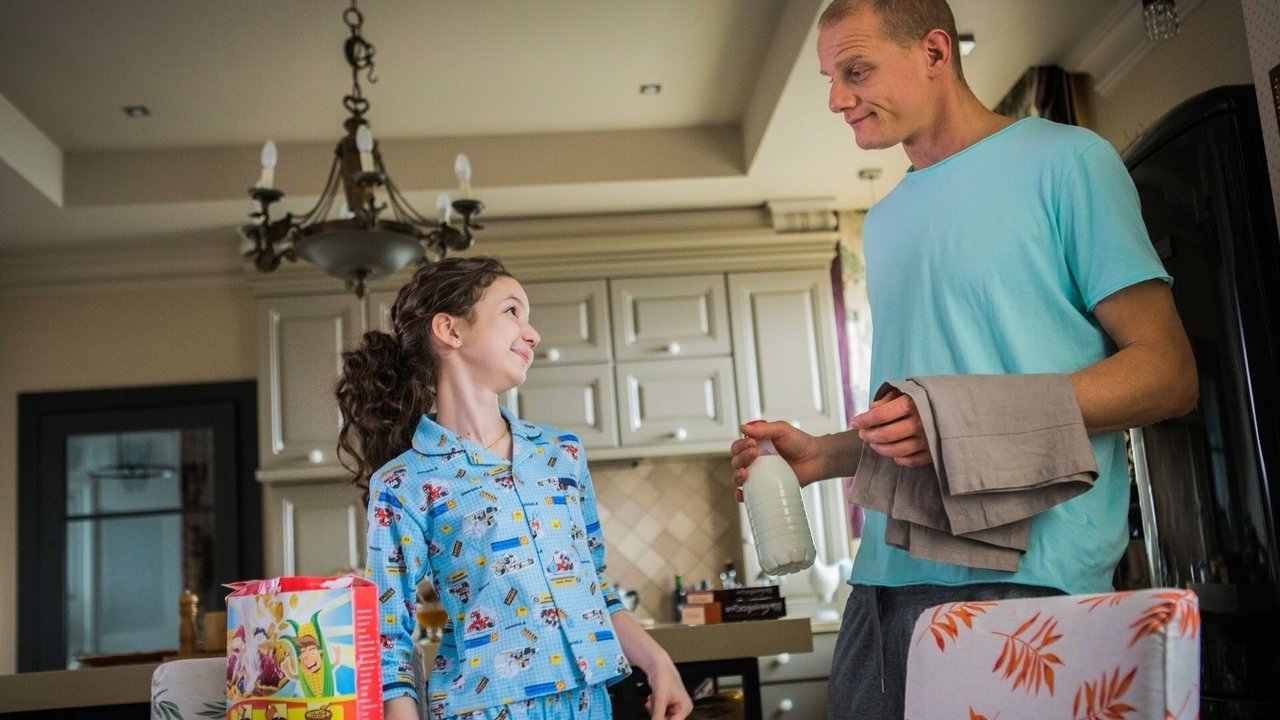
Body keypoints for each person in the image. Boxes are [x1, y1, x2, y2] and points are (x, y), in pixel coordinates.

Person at [729, 1, 1198, 718]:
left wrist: (954, 420)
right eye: (829, 78)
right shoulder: (884, 224)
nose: (835, 100)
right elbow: (926, 417)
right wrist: (821, 455)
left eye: (856, 70)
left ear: (935, 52)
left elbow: (1167, 374)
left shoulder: (1068, 163)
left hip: (1029, 575)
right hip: (884, 580)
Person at [338, 257, 692, 720]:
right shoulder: (404, 483)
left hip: (590, 702)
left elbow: (594, 588)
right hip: (482, 708)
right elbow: (390, 640)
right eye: (512, 312)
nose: (532, 333)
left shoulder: (560, 453)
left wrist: (658, 661)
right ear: (450, 329)